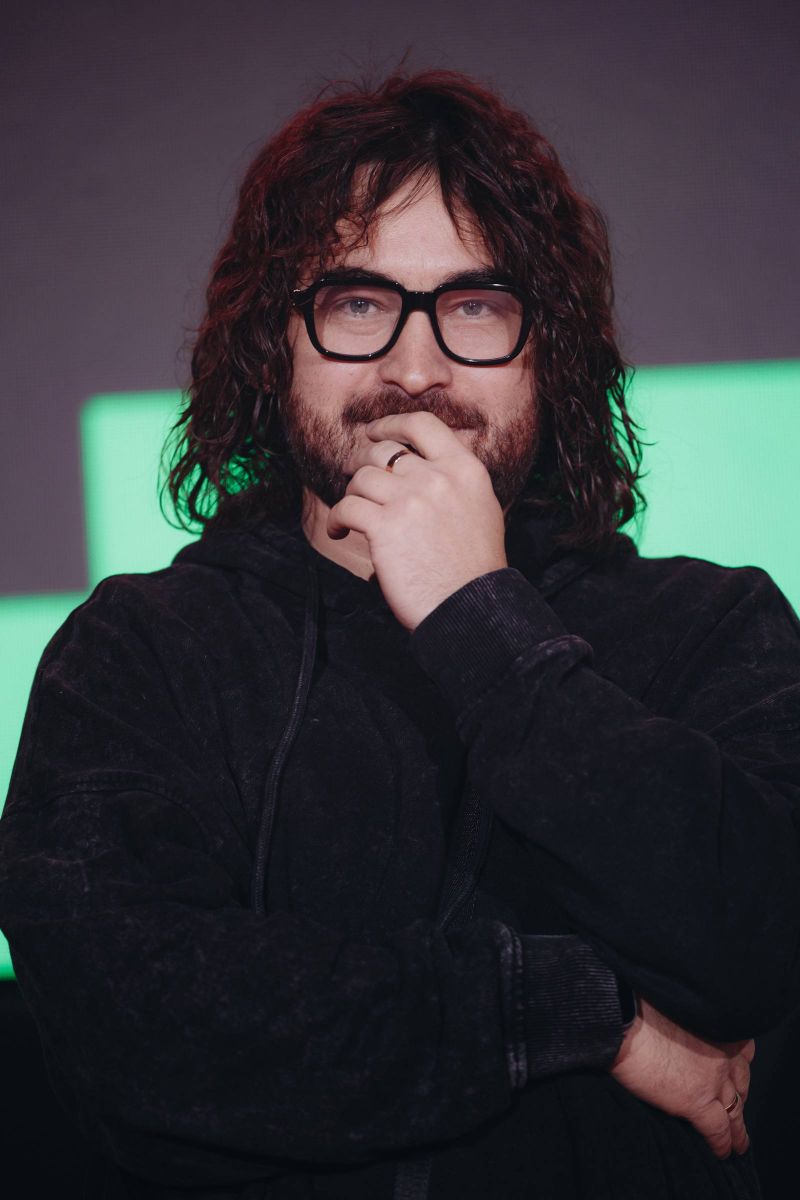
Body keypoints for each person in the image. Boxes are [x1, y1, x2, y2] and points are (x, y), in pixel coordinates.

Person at [1, 68, 798, 1200]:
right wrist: (585, 1015)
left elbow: (756, 946)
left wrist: (481, 617)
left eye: (474, 307)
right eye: (358, 303)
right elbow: (131, 1027)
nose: (413, 370)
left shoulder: (713, 627)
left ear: (547, 353)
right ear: (275, 343)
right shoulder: (138, 651)